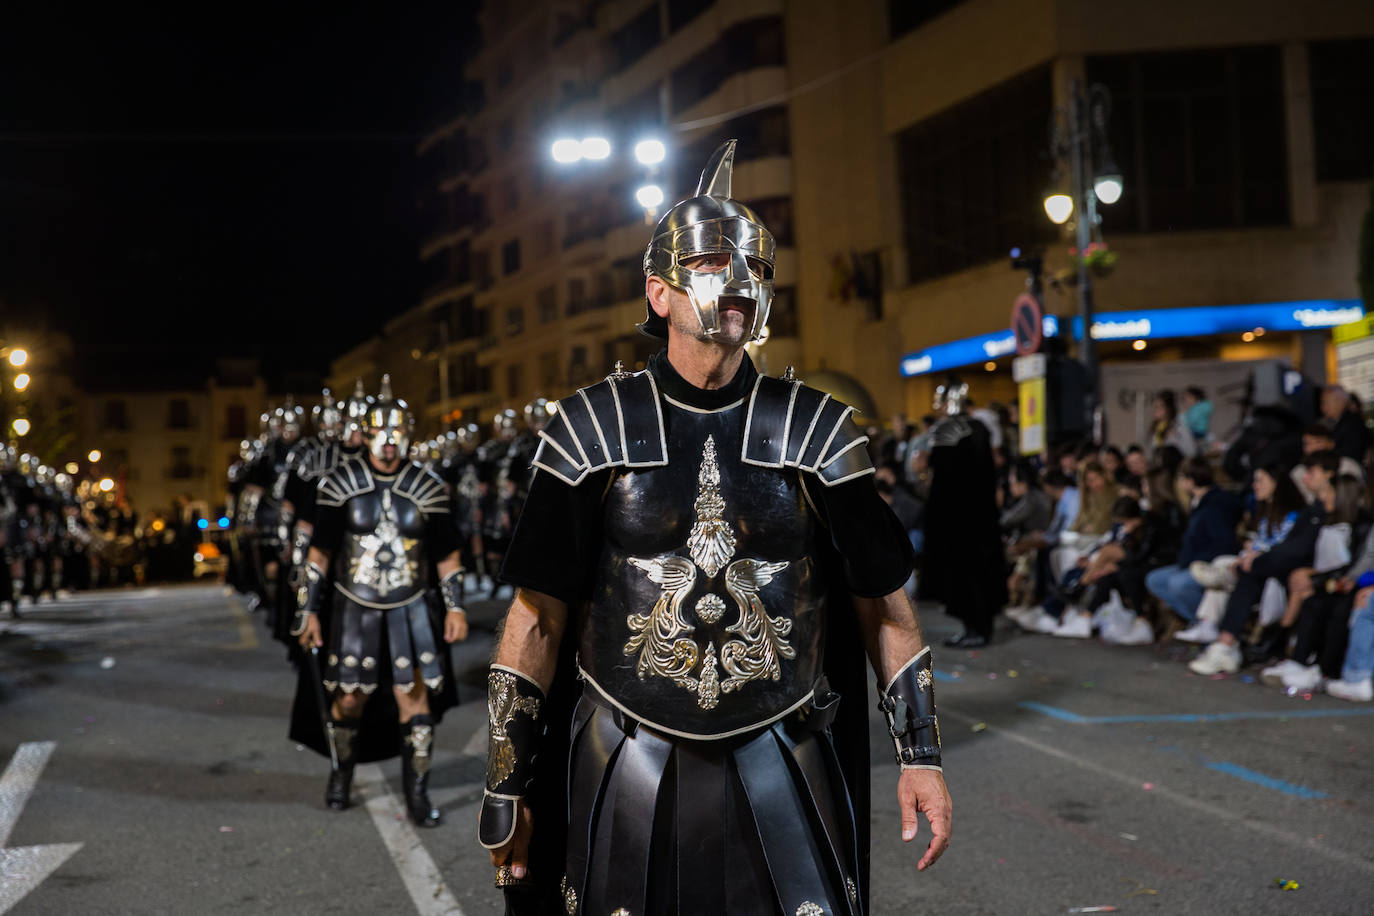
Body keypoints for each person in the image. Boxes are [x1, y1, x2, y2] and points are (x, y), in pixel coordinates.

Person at [478, 140, 951, 916]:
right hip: (625, 754)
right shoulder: (590, 427)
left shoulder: (820, 430)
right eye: (709, 262)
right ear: (658, 292)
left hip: (785, 753)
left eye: (757, 268)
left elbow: (883, 603)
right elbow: (538, 614)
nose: (738, 280)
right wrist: (507, 778)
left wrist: (923, 758)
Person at [289, 375, 470, 825]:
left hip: (413, 608)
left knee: (415, 699)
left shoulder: (428, 488)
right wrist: (308, 610)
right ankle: (341, 774)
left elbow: (447, 554)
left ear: (408, 434)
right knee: (348, 700)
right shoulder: (337, 484)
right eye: (380, 434)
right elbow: (320, 554)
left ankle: (418, 794)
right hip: (353, 608)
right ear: (366, 434)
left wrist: (456, 606)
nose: (389, 443)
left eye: (397, 434)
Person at [920, 376, 1007, 648]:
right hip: (981, 518)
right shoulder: (980, 428)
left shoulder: (946, 431)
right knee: (979, 572)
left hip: (958, 521)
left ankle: (975, 628)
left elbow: (940, 480)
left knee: (965, 576)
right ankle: (978, 627)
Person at [1145, 457, 1243, 627]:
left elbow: (1224, 544)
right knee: (1155, 580)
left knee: (1179, 584)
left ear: (1190, 481)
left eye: (1181, 478)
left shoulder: (1214, 506)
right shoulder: (1198, 503)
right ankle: (1198, 621)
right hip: (1191, 562)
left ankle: (1212, 623)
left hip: (1209, 563)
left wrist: (1196, 560)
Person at [1322, 384, 1370, 464]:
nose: (1323, 407)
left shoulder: (1353, 423)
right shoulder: (1336, 422)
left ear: (1340, 402)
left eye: (1325, 403)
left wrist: (1330, 446)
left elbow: (1352, 452)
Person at [1150, 390, 1197, 459]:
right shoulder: (1158, 427)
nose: (1156, 411)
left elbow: (1191, 451)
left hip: (1179, 465)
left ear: (1169, 408)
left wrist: (1174, 438)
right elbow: (1155, 450)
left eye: (1160, 407)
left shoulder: (1180, 424)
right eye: (1155, 407)